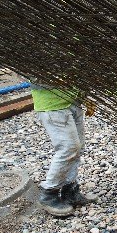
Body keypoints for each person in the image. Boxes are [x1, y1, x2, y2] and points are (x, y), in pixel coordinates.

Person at [31, 84, 98, 217]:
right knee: (68, 149)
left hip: (73, 101)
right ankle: (48, 194)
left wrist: (84, 96)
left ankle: (70, 190)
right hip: (53, 104)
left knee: (78, 148)